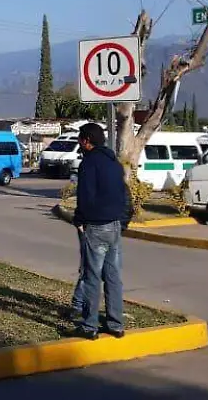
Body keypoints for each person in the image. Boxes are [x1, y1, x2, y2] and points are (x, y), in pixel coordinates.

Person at [72, 122, 128, 340]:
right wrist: (123, 221)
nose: (79, 143)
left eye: (80, 139)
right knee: (113, 276)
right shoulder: (115, 163)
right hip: (114, 225)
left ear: (86, 141)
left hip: (95, 226)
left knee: (92, 276)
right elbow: (124, 195)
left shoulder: (89, 163)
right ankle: (115, 324)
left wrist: (79, 219)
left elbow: (84, 197)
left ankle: (89, 326)